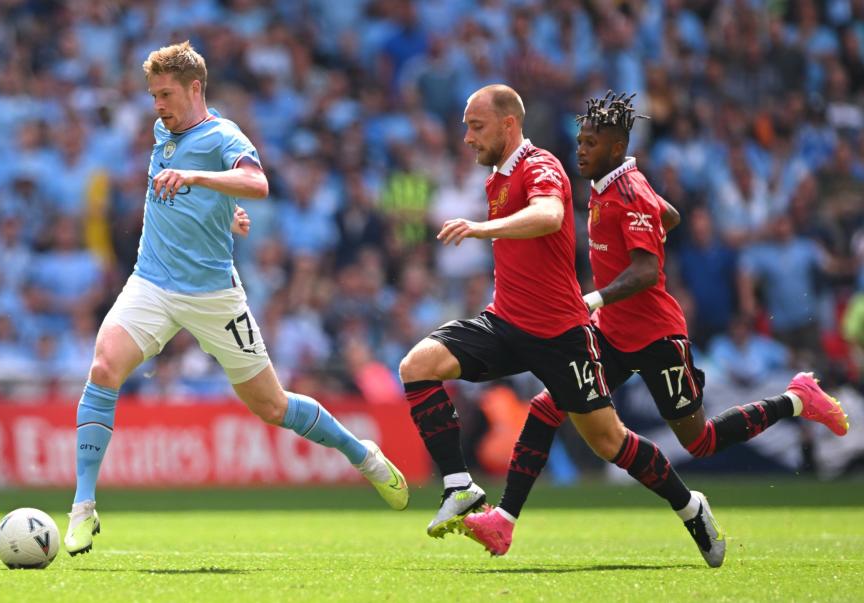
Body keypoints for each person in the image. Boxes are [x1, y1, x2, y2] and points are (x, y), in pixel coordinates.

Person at [462, 91, 849, 558]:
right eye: (579, 141)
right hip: (610, 332)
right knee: (548, 407)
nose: (580, 151)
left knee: (700, 441)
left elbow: (647, 271)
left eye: (590, 143)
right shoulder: (610, 184)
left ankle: (796, 399)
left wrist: (596, 296)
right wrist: (648, 229)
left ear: (617, 145)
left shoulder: (629, 190)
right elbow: (672, 215)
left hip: (657, 336)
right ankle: (505, 521)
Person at [64, 41, 408, 556]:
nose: (157, 105)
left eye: (166, 94)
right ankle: (83, 507)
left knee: (271, 406)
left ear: (195, 88)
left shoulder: (224, 135)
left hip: (213, 296)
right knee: (104, 368)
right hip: (151, 283)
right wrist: (225, 214)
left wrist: (205, 181)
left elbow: (257, 182)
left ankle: (362, 454)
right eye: (153, 95)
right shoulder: (164, 130)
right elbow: (198, 204)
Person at [398, 84, 725, 567]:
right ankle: (459, 487)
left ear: (509, 125)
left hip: (562, 337)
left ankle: (689, 505)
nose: (466, 137)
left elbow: (550, 216)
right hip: (506, 323)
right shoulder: (496, 177)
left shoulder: (541, 165)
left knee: (609, 441)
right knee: (417, 365)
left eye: (476, 126)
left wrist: (480, 228)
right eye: (466, 126)